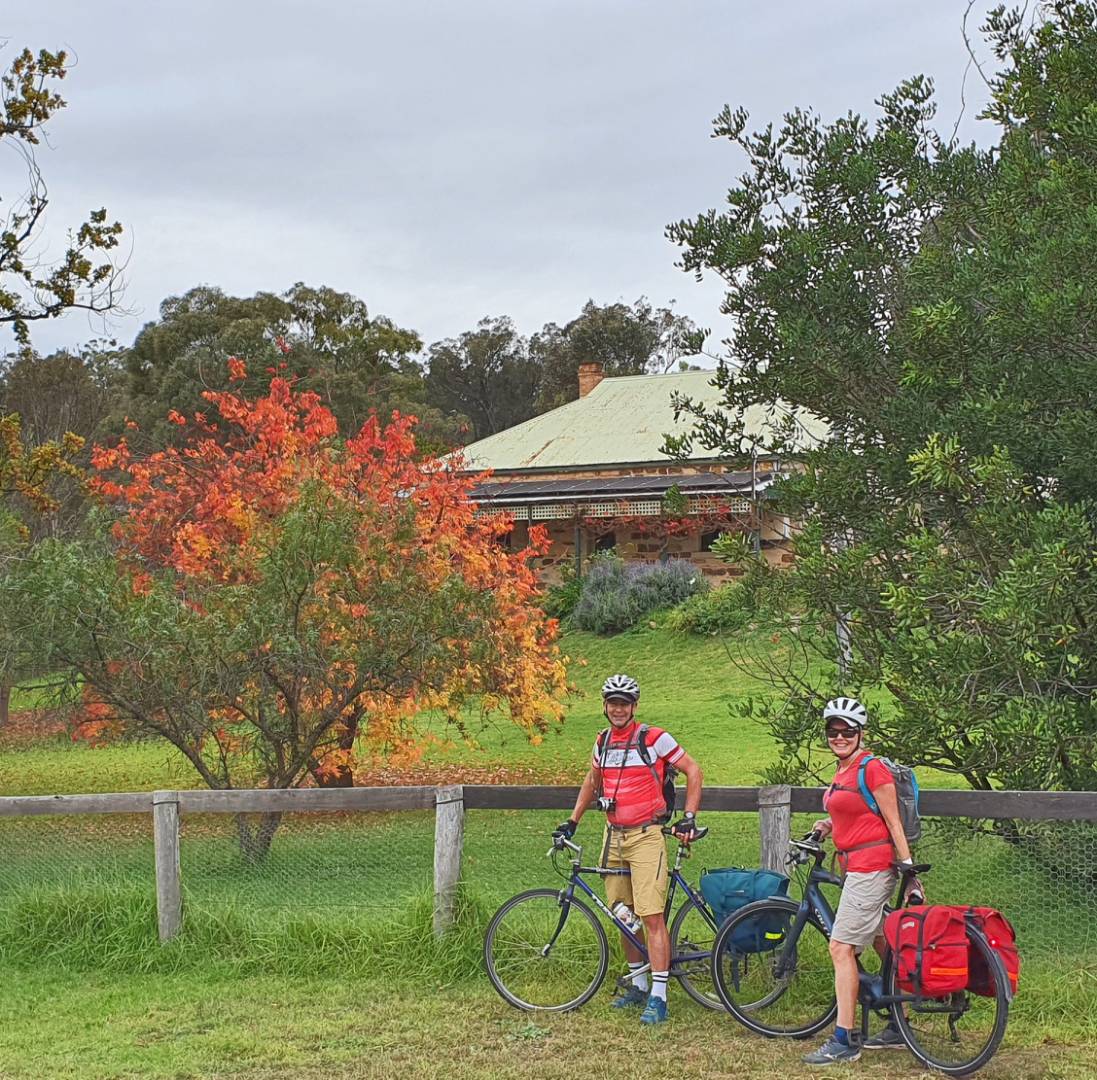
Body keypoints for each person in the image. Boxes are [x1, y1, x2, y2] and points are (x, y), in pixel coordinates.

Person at [553, 673, 703, 1025]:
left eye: (624, 703)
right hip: (613, 835)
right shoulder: (602, 741)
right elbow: (592, 782)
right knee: (621, 913)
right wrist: (572, 821)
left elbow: (693, 770)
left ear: (634, 706)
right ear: (605, 707)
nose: (618, 708)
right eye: (612, 702)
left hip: (647, 836)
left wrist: (690, 816)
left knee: (651, 916)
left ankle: (659, 996)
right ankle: (638, 985)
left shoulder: (654, 738)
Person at [802, 697, 913, 1066]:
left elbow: (892, 820)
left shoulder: (872, 768)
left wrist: (909, 869)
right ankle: (901, 1023)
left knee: (840, 948)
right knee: (882, 941)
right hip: (855, 866)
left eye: (847, 731)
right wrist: (826, 825)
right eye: (833, 731)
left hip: (872, 868)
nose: (839, 737)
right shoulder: (843, 770)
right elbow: (855, 810)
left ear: (860, 734)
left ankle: (844, 1039)